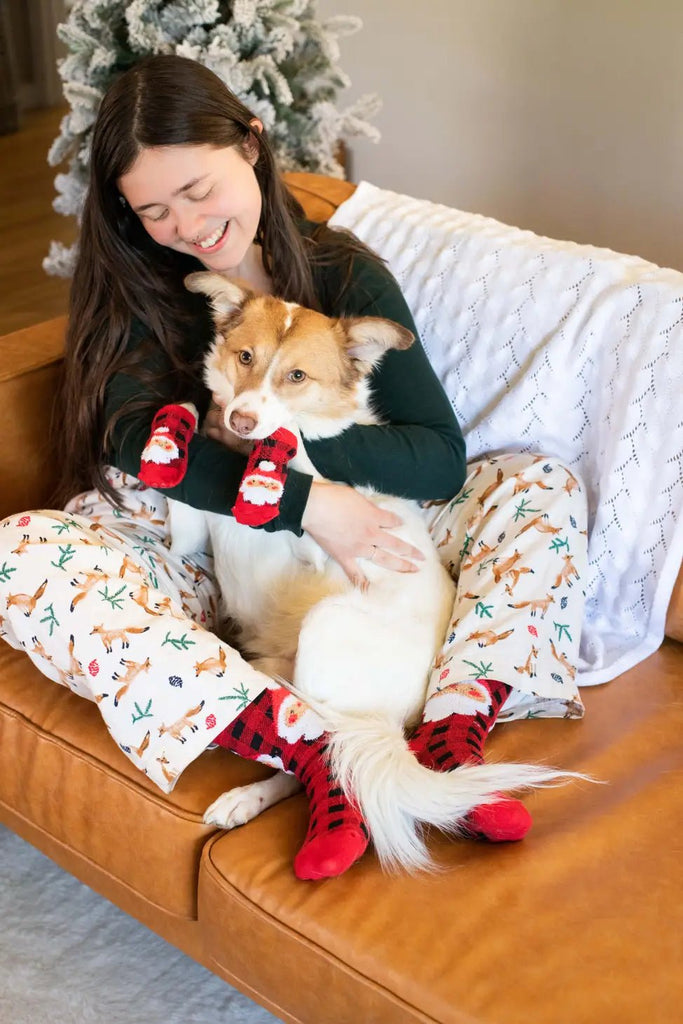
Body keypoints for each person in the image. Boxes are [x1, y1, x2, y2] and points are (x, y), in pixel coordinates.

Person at [0, 55, 587, 879]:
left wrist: (303, 452)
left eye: (199, 189)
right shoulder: (140, 286)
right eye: (156, 209)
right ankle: (311, 751)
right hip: (192, 540)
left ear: (251, 143)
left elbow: (437, 456)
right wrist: (302, 503)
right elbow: (141, 446)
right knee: (18, 553)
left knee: (535, 482)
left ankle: (454, 731)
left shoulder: (345, 275)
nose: (188, 226)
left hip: (358, 519)